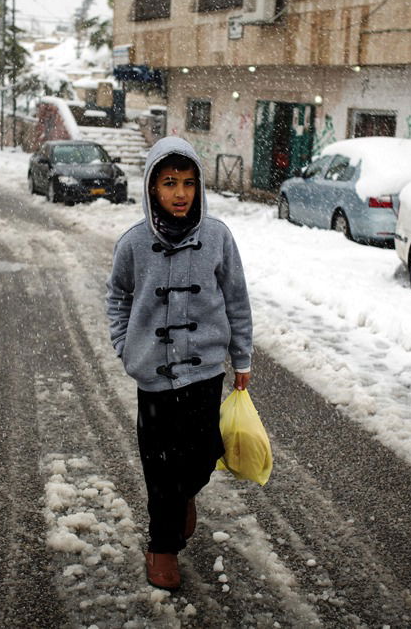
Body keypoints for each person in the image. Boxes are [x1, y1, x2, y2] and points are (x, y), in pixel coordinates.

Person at [106, 136, 253, 591]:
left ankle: (186, 492)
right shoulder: (132, 244)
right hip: (153, 376)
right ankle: (162, 546)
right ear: (152, 187)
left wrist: (241, 355)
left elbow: (236, 299)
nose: (180, 193)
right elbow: (117, 298)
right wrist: (124, 346)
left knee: (204, 454)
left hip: (206, 370)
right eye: (169, 183)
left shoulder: (217, 238)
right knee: (159, 464)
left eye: (188, 183)